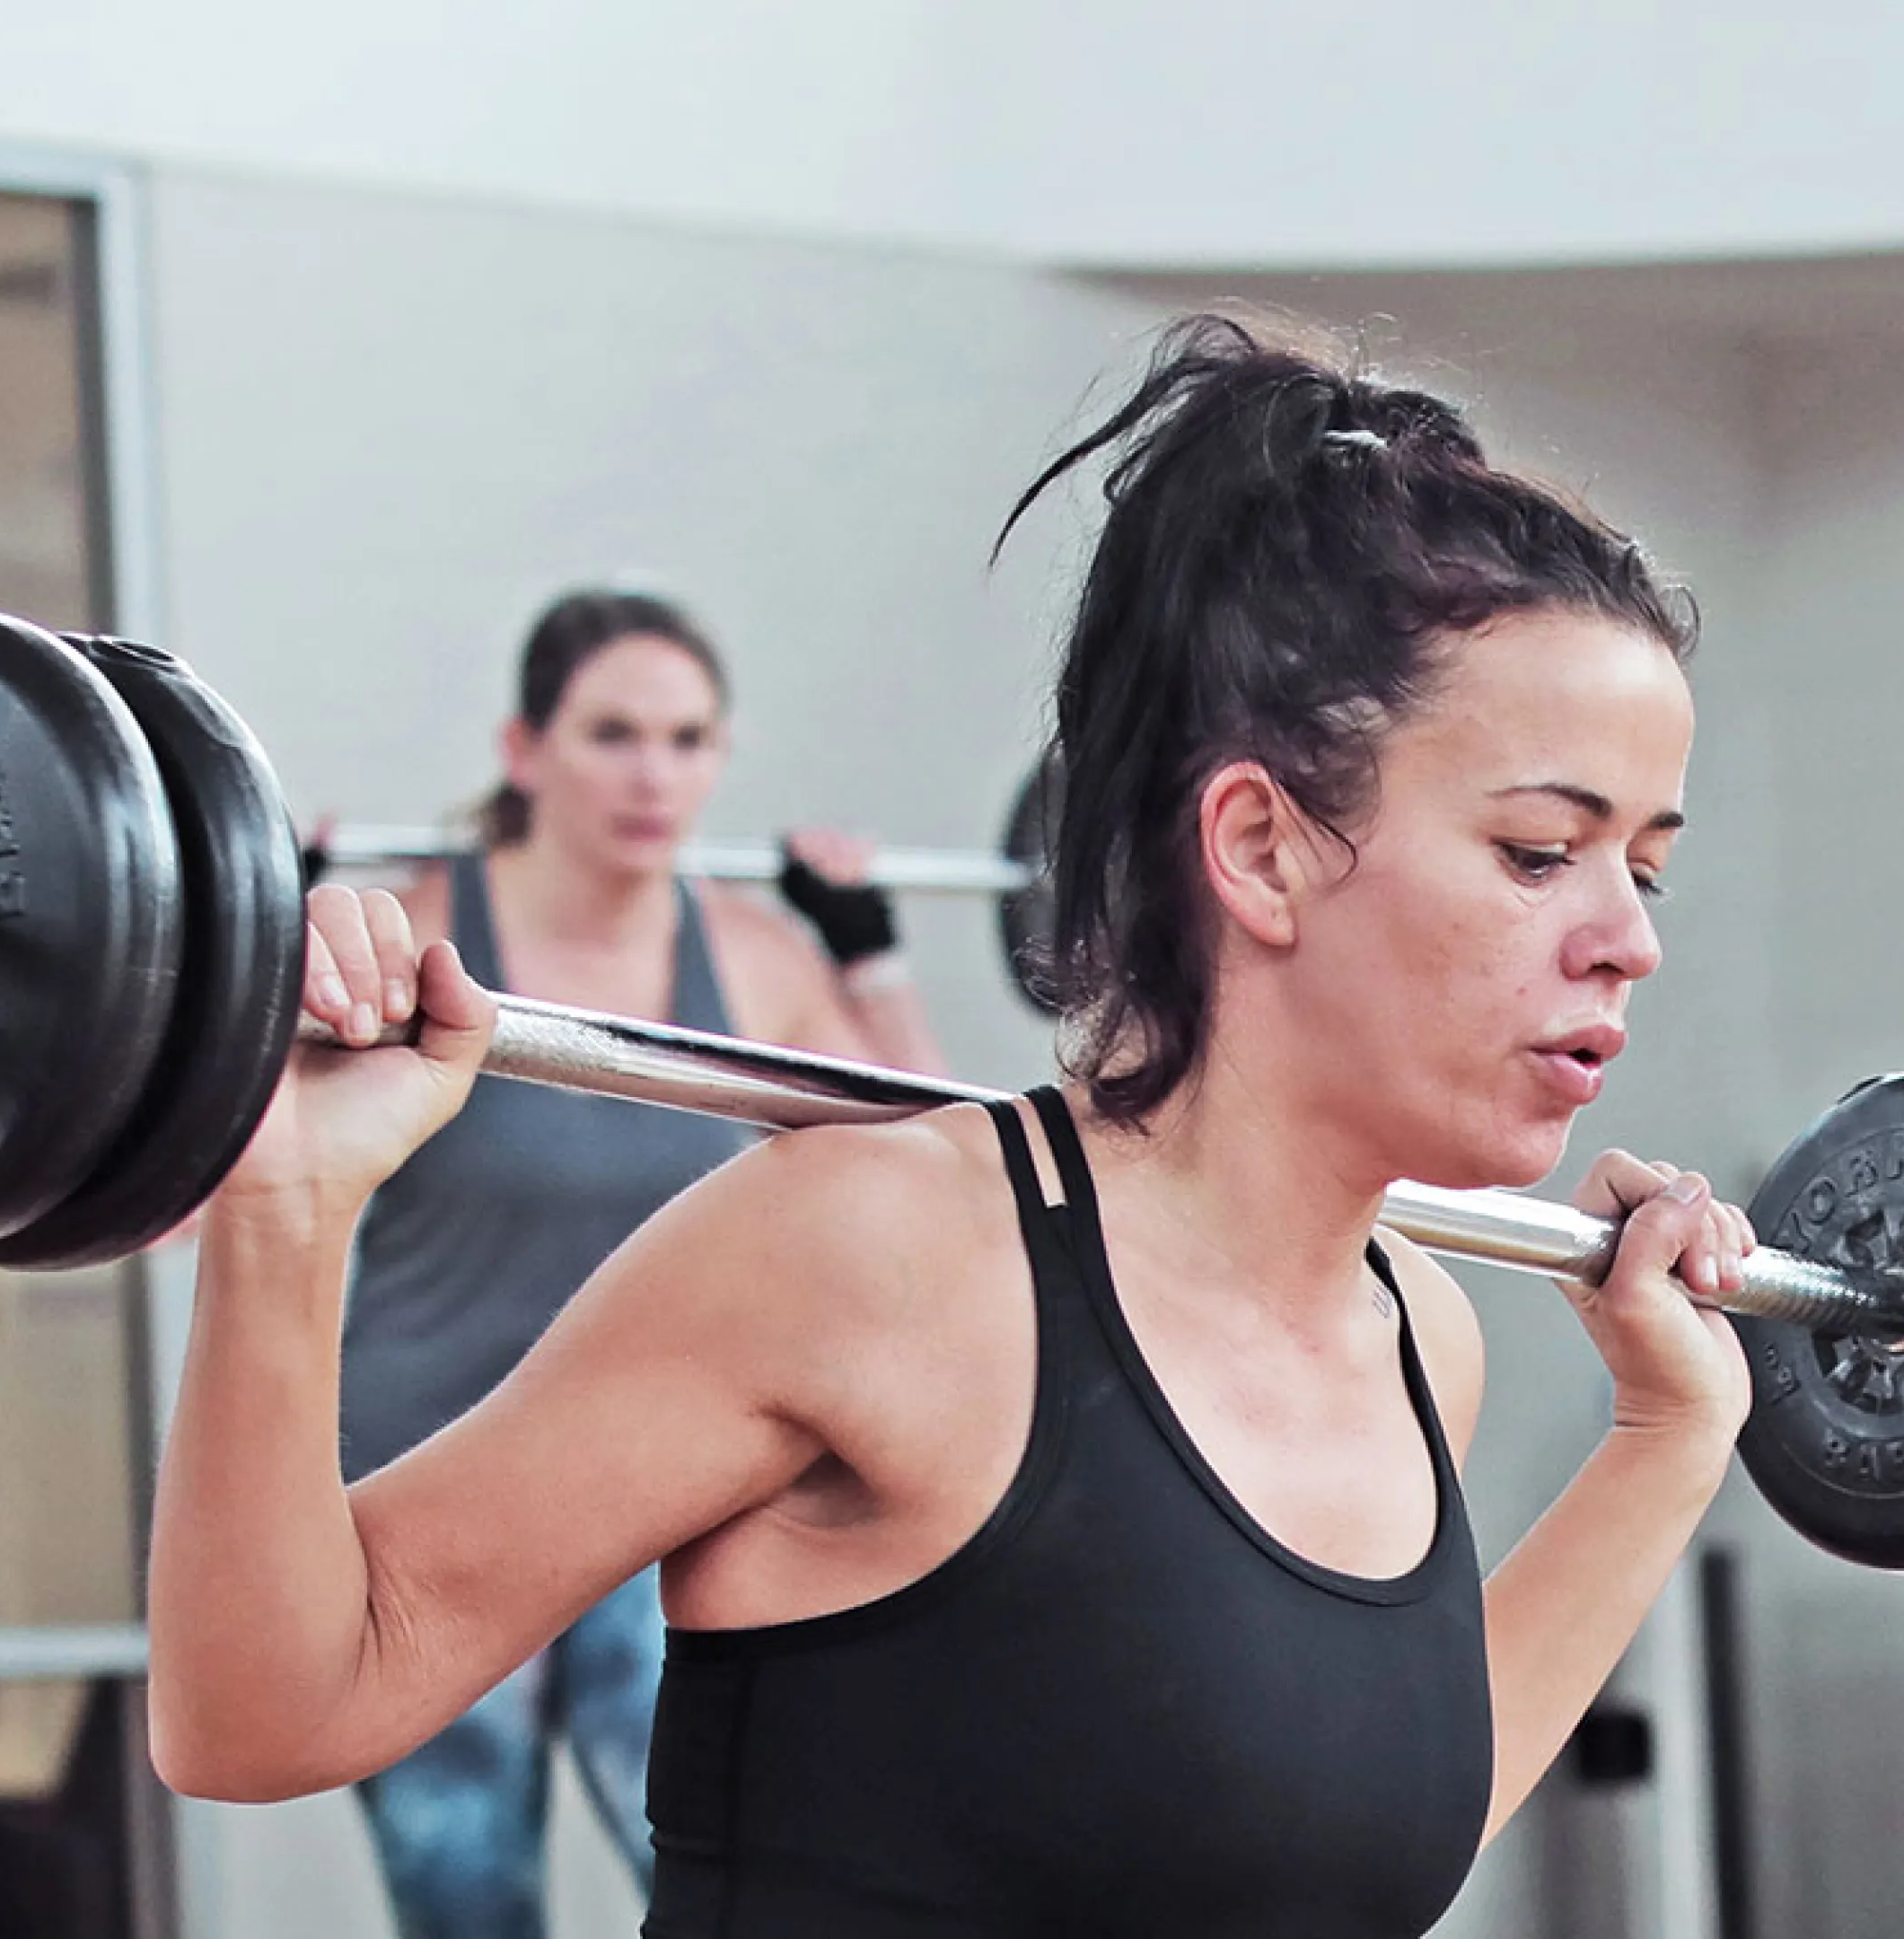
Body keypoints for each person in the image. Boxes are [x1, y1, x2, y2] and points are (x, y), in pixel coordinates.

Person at [147, 313, 1761, 1939]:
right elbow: (269, 1713)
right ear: (1263, 848)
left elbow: (1312, 1838)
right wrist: (286, 1219)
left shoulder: (1418, 1332)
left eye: (1649, 867)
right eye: (1545, 850)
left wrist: (1667, 1442)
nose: (1629, 936)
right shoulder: (873, 1253)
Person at [303, 586, 952, 1936]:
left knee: (730, 1892)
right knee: (467, 1910)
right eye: (612, 734)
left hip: (650, 1508)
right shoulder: (416, 933)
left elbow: (946, 1181)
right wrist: (260, 945)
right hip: (424, 1507)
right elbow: (221, 1178)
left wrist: (868, 953)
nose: (654, 775)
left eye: (687, 738)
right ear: (525, 750)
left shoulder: (752, 959)